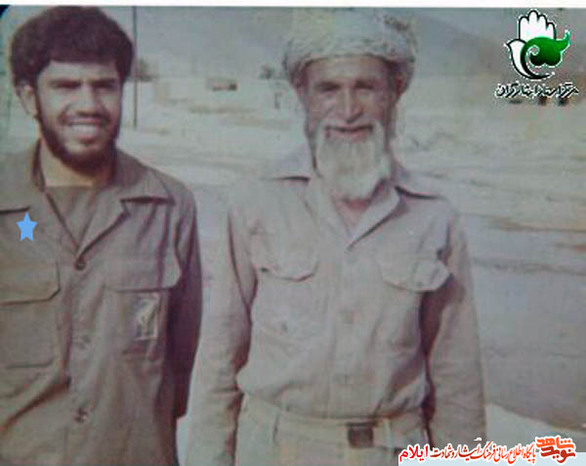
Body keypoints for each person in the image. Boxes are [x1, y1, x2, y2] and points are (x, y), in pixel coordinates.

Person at [186, 8, 485, 466]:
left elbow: (456, 376)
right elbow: (220, 357)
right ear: (302, 94)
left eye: (366, 87)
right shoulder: (256, 201)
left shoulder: (433, 217)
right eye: (329, 89)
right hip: (274, 450)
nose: (348, 111)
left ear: (394, 92)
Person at [0, 7, 201, 465]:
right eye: (66, 86)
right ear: (29, 98)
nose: (88, 104)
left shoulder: (168, 208)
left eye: (104, 86)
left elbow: (181, 363)